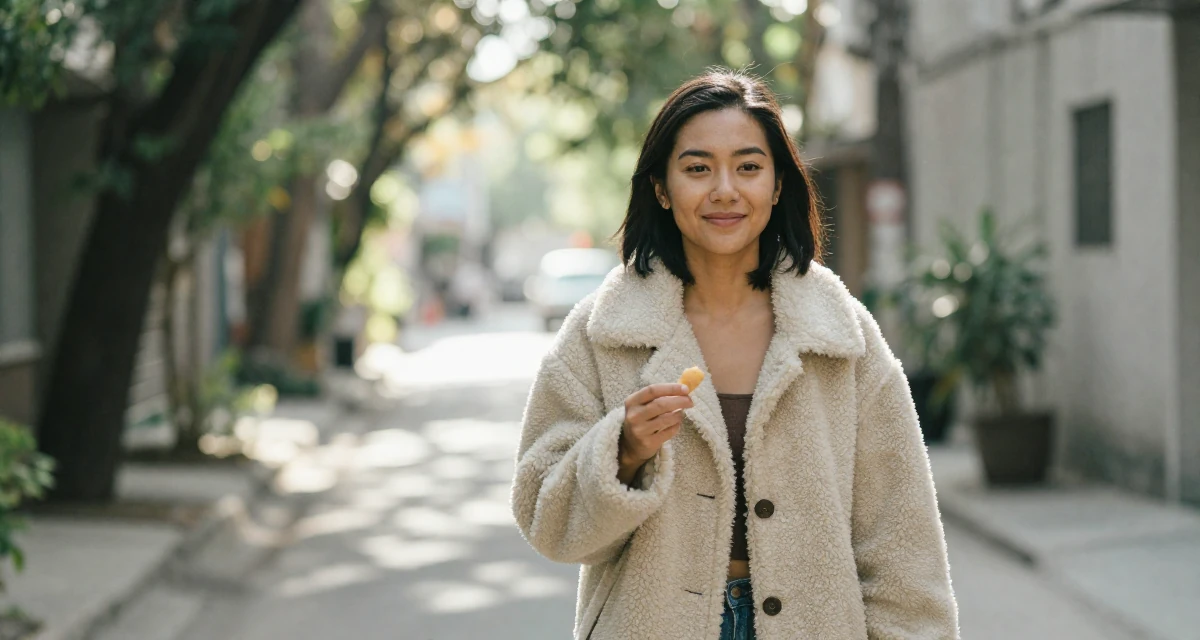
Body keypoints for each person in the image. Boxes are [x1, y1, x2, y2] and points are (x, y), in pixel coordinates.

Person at [511, 69, 959, 640]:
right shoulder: (602, 333)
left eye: (748, 167)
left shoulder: (841, 335)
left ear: (777, 185)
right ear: (661, 188)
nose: (725, 190)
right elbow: (545, 522)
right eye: (698, 169)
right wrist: (621, 452)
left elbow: (903, 544)